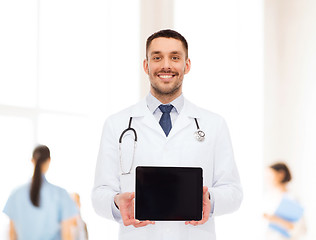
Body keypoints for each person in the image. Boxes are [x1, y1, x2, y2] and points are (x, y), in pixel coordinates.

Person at [92, 29, 243, 240]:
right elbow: (100, 193)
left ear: (186, 65)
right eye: (157, 57)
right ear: (146, 66)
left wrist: (209, 199)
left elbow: (234, 192)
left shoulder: (214, 124)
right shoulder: (116, 124)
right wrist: (118, 203)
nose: (166, 65)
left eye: (174, 57)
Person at [3, 145, 78, 240]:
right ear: (49, 161)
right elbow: (67, 235)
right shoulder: (61, 194)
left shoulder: (16, 194)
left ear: (32, 161)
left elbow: (12, 234)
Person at [263, 162, 306, 240]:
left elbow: (301, 229)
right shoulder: (267, 197)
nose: (267, 179)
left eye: (269, 176)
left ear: (281, 174)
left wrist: (275, 219)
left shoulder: (292, 198)